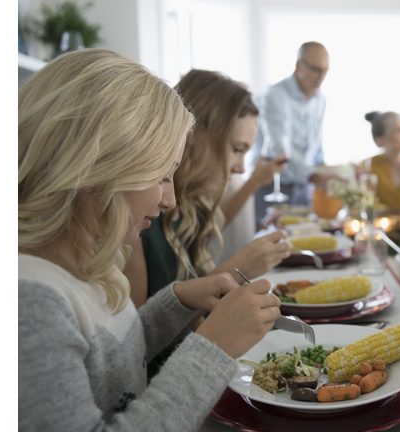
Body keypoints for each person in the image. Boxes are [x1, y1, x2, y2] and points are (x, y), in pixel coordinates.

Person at [18, 49, 281, 431]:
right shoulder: (30, 302)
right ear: (98, 166)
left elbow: (113, 362)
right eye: (161, 175)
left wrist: (173, 304)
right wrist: (213, 348)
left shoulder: (86, 264)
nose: (170, 198)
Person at [123, 70, 294, 377]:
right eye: (237, 149)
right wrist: (230, 271)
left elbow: (216, 219)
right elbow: (136, 350)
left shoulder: (186, 205)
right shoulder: (138, 222)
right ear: (196, 136)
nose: (240, 166)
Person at [252, 41, 341, 222]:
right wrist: (315, 177)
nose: (320, 76)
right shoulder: (274, 96)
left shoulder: (320, 100)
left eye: (325, 71)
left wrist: (326, 173)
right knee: (267, 240)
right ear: (298, 65)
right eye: (315, 69)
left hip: (304, 187)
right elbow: (279, 149)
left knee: (301, 241)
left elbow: (316, 148)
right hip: (272, 186)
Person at [359, 111, 400, 210]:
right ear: (380, 140)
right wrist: (357, 185)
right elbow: (365, 203)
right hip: (380, 223)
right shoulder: (368, 166)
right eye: (398, 130)